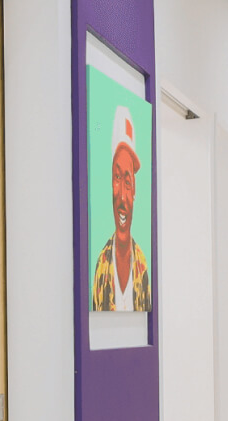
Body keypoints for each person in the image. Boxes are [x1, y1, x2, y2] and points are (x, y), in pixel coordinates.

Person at [92, 106, 150, 312]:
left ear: (135, 190)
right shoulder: (101, 266)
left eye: (128, 181)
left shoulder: (143, 266)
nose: (123, 197)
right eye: (117, 178)